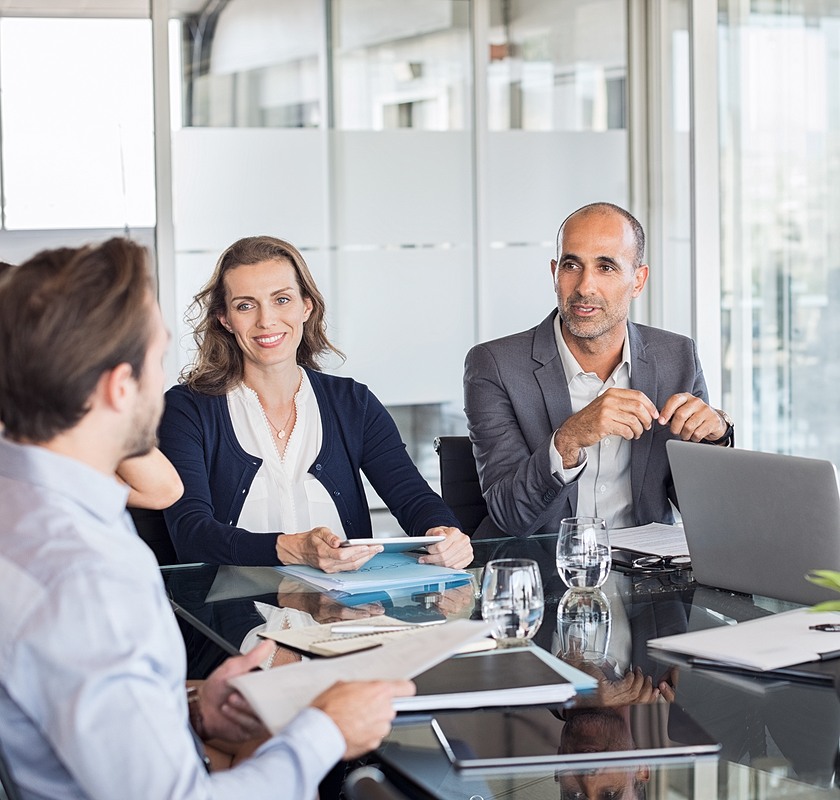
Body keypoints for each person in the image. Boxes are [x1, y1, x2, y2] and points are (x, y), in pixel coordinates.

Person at [0, 238, 415, 799]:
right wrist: (326, 731)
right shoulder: (86, 575)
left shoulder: (36, 515)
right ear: (120, 388)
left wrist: (192, 707)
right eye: (156, 356)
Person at [158, 236, 473, 571]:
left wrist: (444, 534)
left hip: (348, 614)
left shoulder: (353, 403)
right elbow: (191, 535)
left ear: (306, 306)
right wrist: (293, 549)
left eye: (281, 299)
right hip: (236, 617)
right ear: (224, 318)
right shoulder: (186, 410)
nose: (266, 320)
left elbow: (413, 498)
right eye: (245, 305)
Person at [464, 202, 734, 537]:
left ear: (638, 281)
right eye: (572, 265)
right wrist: (570, 438)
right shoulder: (494, 365)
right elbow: (510, 515)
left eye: (606, 267)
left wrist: (718, 437)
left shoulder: (677, 355)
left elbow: (702, 508)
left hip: (648, 574)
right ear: (554, 273)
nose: (585, 287)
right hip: (542, 572)